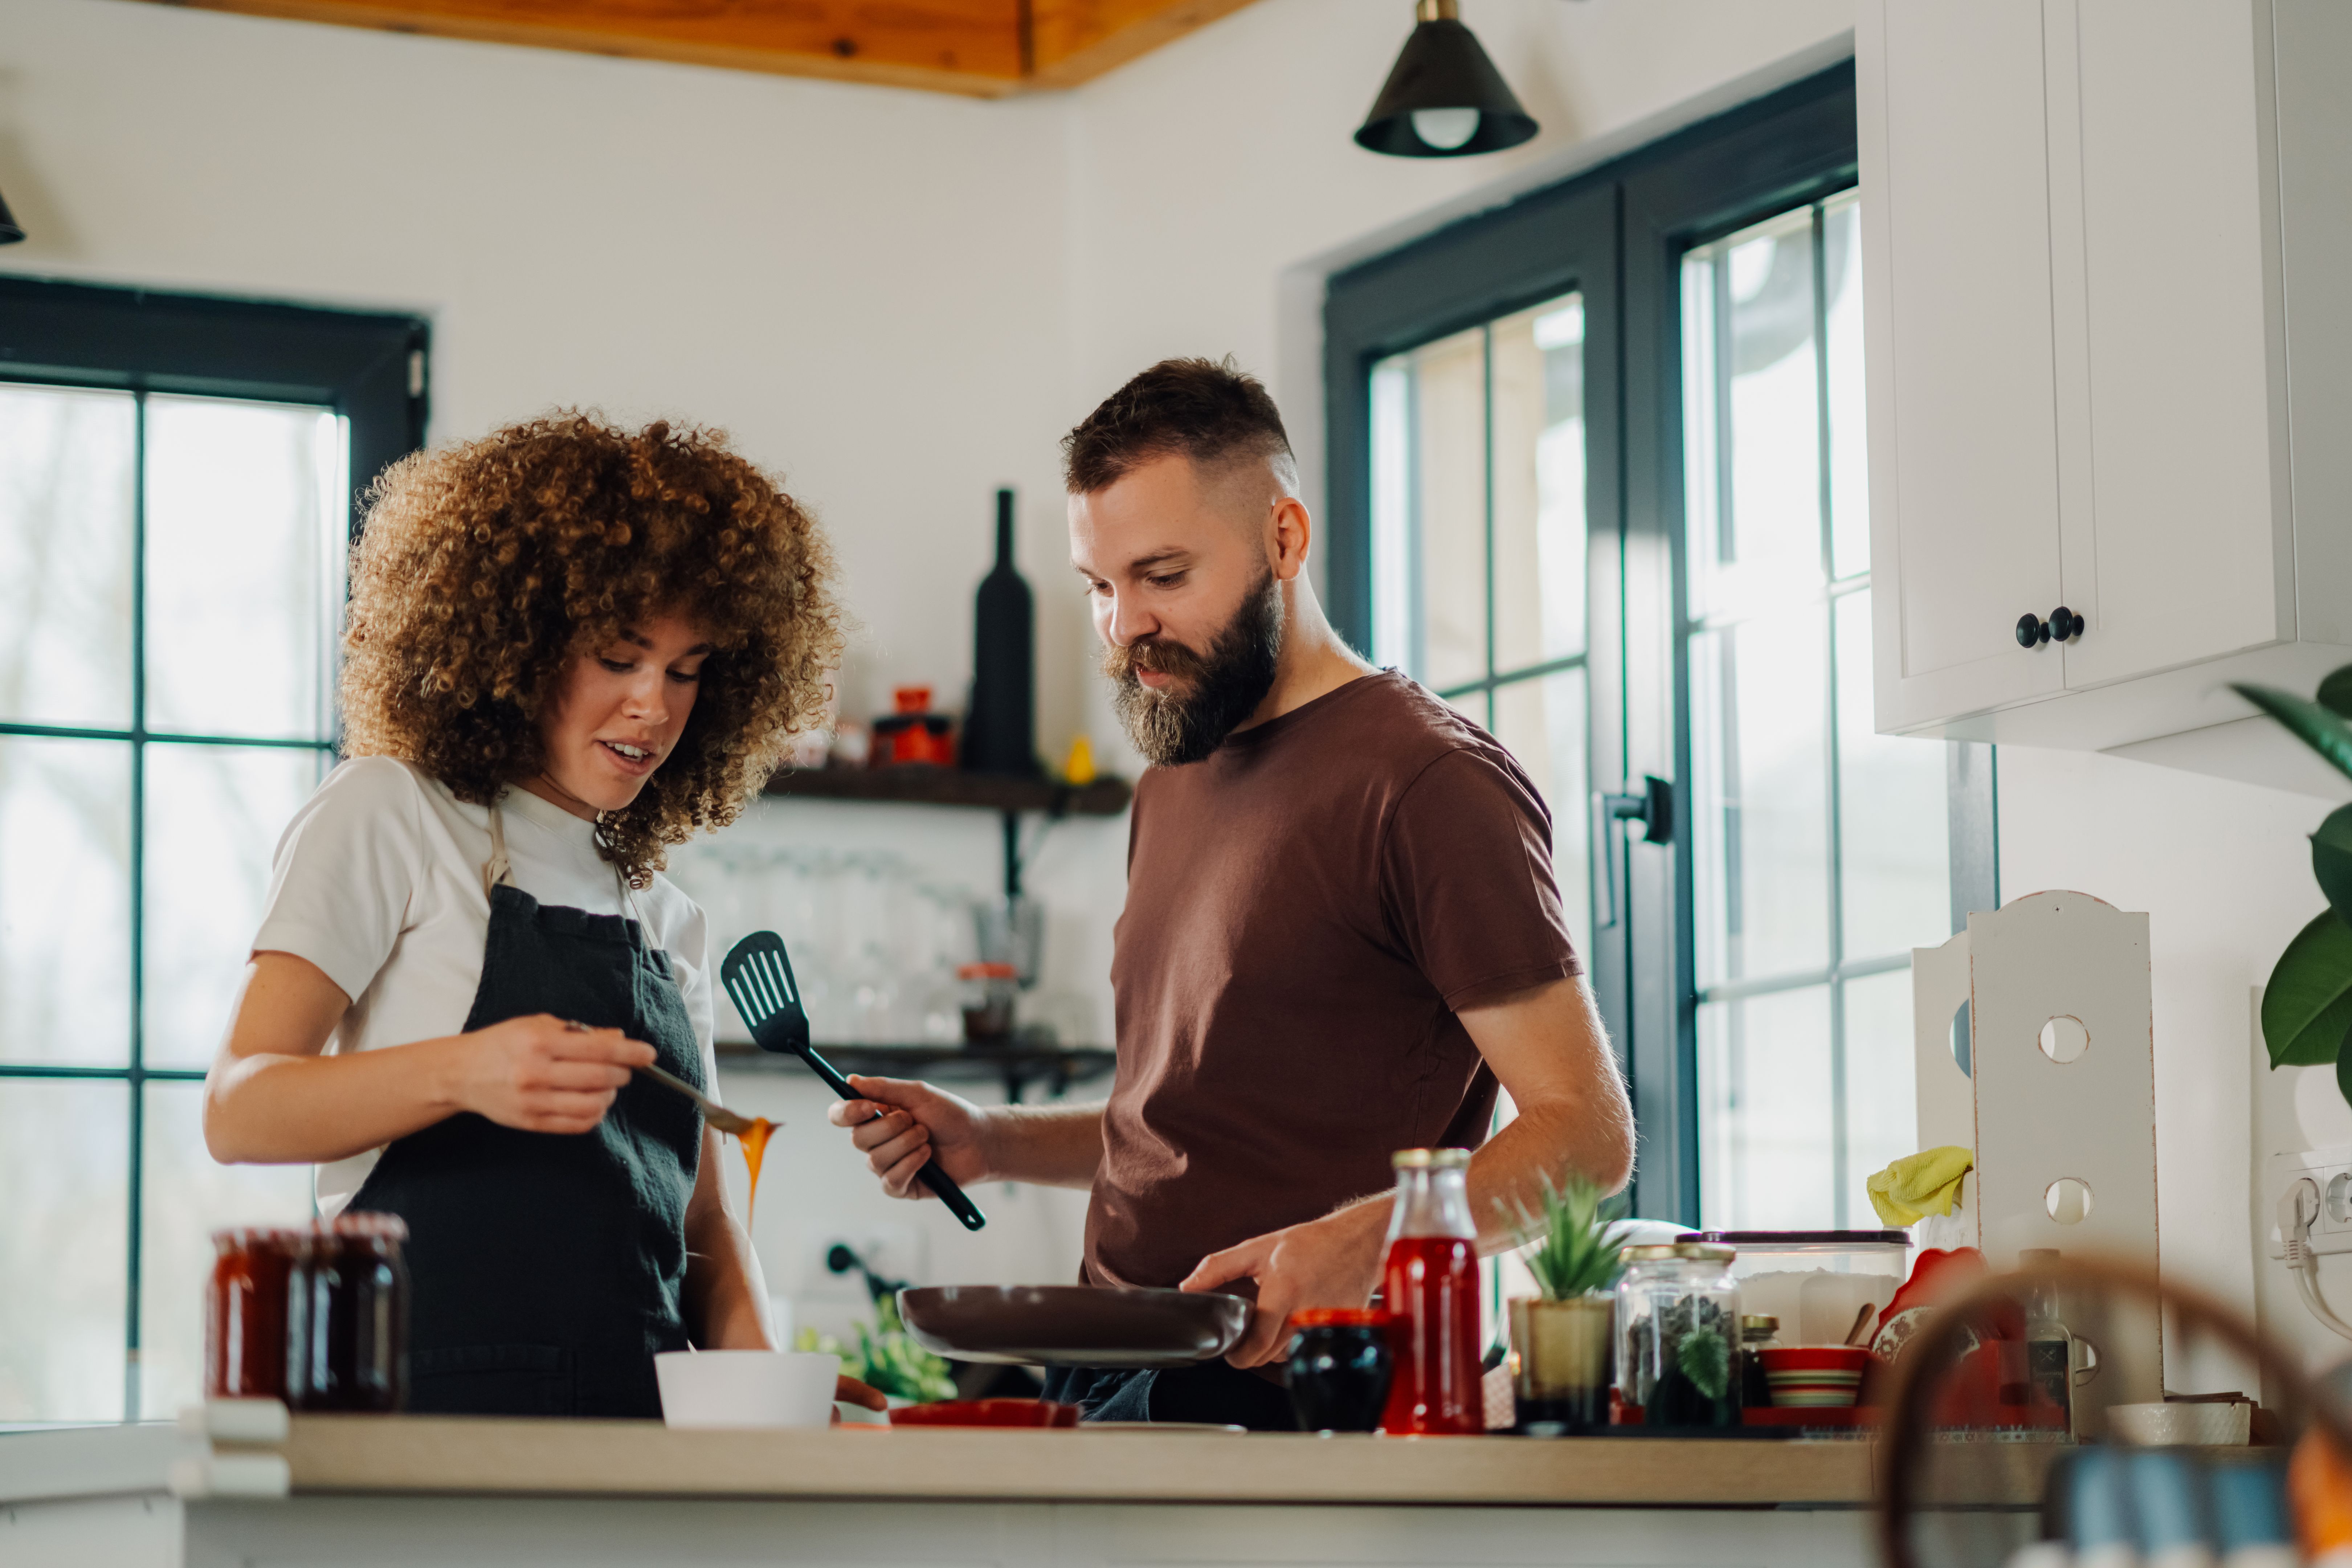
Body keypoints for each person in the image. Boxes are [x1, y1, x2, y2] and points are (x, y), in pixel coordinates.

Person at [830, 359, 1636, 1429]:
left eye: (1162, 576)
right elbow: (1190, 1122)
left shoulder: (1429, 782)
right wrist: (995, 1140)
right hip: (1106, 1378)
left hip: (1303, 1402)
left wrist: (1362, 1243)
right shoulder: (1174, 774)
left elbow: (1587, 1136)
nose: (1124, 624)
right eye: (1100, 587)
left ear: (1284, 539)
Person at [204, 414, 881, 1420]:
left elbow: (705, 1227)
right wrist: (465, 1072)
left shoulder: (667, 919)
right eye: (618, 657)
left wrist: (771, 1393)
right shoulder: (393, 813)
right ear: (517, 646)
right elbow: (240, 1109)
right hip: (428, 1430)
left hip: (640, 1439)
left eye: (687, 669)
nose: (654, 706)